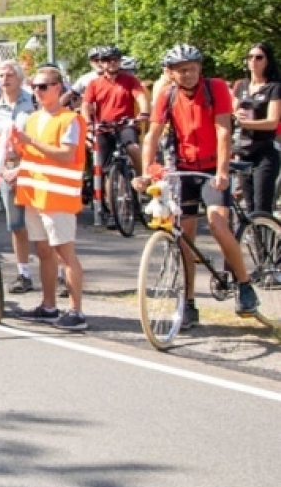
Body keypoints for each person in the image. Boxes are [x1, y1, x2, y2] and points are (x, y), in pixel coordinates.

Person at [137, 44, 260, 323]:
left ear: (200, 68)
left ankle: (244, 285)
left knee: (218, 224)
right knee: (185, 237)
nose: (189, 74)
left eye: (192, 68)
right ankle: (189, 302)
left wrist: (223, 171)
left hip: (211, 167)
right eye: (182, 70)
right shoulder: (166, 96)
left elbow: (223, 131)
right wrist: (145, 172)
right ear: (170, 73)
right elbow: (152, 137)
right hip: (183, 169)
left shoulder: (214, 88)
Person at [9, 65, 89, 330]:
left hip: (58, 197)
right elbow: (31, 155)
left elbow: (66, 154)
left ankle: (76, 311)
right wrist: (14, 158)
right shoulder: (32, 119)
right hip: (35, 195)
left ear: (58, 88)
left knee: (65, 253)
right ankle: (48, 305)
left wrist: (29, 141)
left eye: (44, 86)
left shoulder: (70, 120)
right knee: (43, 251)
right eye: (35, 87)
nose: (38, 91)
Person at [83, 45, 148, 228]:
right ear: (101, 63)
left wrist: (143, 112)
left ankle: (141, 179)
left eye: (115, 59)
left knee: (133, 148)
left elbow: (141, 97)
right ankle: (112, 212)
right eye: (106, 60)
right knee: (105, 170)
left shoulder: (129, 80)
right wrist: (88, 122)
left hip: (125, 124)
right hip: (104, 128)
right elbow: (86, 105)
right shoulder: (94, 84)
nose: (111, 63)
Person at [0, 60, 37, 293]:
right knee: (16, 224)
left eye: (9, 75)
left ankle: (58, 272)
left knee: (42, 223)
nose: (5, 79)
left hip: (33, 166)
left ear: (19, 78)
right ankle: (23, 273)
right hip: (7, 167)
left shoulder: (33, 102)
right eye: (1, 75)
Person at [233, 41, 280, 216]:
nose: (254, 61)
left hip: (264, 152)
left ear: (267, 61)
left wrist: (246, 123)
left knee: (262, 206)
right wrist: (235, 115)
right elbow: (232, 110)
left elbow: (272, 122)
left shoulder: (274, 87)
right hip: (244, 151)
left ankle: (268, 242)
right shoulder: (241, 85)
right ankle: (254, 242)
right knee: (249, 206)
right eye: (250, 57)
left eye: (259, 57)